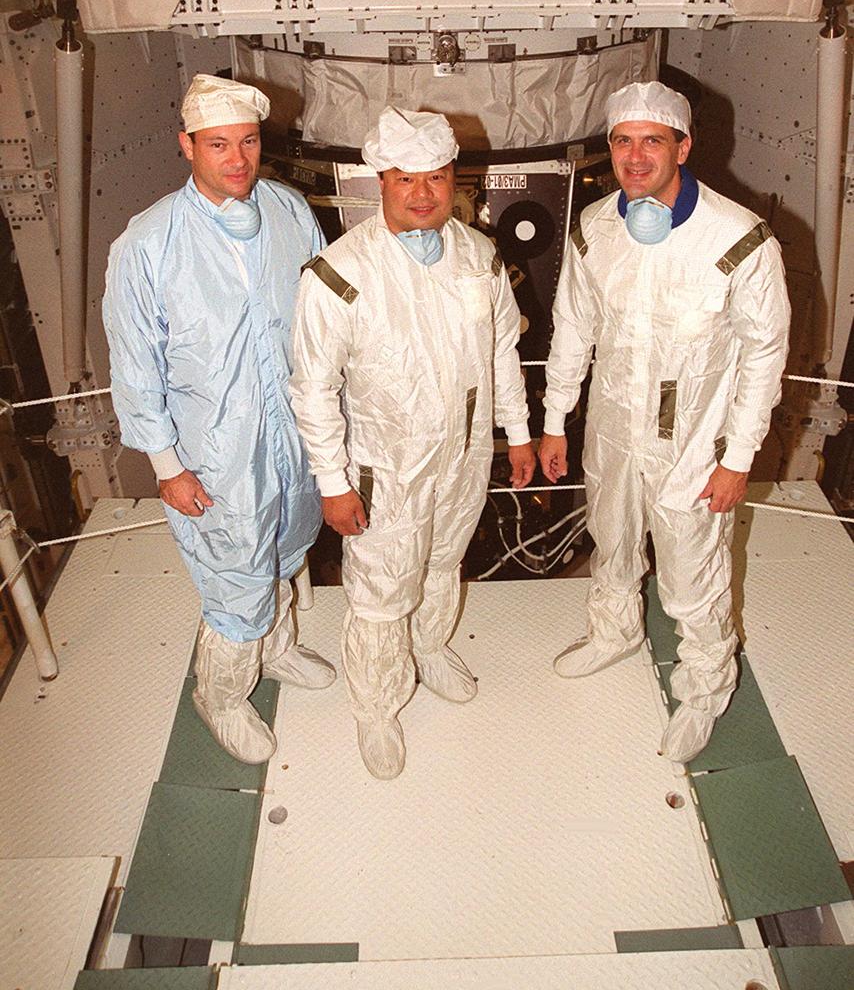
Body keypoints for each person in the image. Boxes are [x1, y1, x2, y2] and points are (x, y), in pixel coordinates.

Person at [539, 80, 790, 763]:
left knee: (692, 571)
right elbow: (573, 328)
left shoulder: (738, 239)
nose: (636, 155)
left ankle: (706, 685)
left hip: (694, 444)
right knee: (612, 540)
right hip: (614, 428)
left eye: (653, 139)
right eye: (623, 140)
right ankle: (614, 632)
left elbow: (764, 355)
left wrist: (738, 458)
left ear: (684, 145)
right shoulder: (595, 229)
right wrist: (557, 418)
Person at [290, 107, 536, 779]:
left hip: (463, 455)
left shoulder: (478, 255)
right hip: (385, 467)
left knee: (440, 564)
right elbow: (311, 392)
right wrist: (333, 483)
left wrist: (515, 433)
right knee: (379, 592)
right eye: (405, 179)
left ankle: (429, 649)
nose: (423, 193)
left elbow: (501, 354)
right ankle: (375, 707)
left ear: (454, 176)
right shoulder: (338, 276)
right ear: (380, 181)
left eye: (435, 176)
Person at [103, 74, 335, 765]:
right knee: (236, 576)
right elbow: (134, 367)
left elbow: (323, 323)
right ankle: (223, 696)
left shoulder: (291, 211)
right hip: (214, 454)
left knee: (288, 547)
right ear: (187, 146)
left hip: (292, 438)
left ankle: (277, 648)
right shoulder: (146, 245)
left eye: (248, 142)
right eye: (217, 145)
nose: (236, 160)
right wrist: (167, 469)